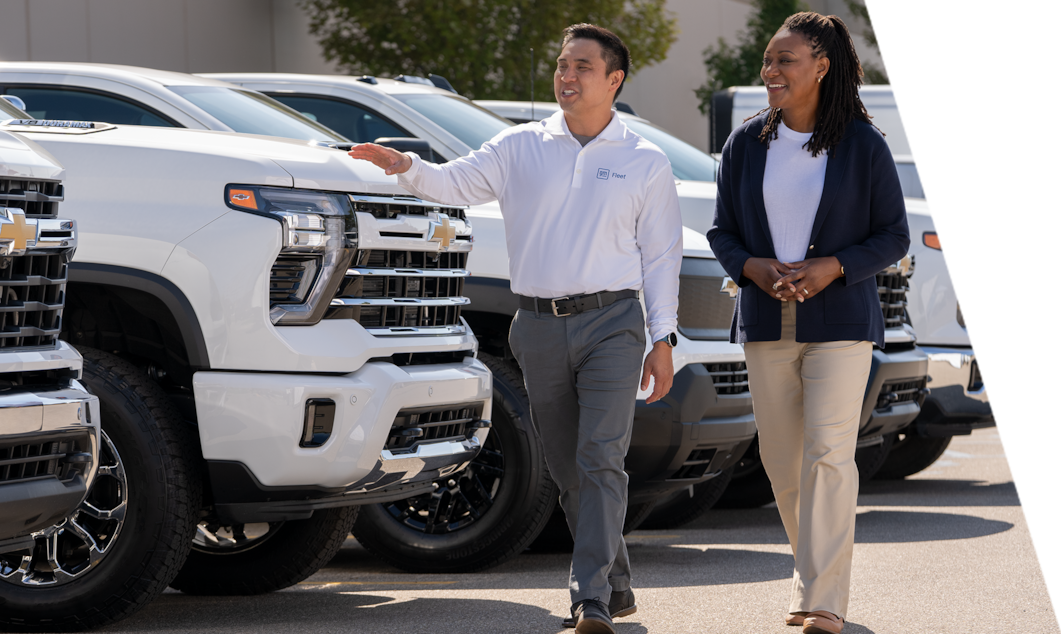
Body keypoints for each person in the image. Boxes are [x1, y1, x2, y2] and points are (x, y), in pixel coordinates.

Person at [348, 23, 681, 634]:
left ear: (614, 80)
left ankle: (590, 600)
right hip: (538, 326)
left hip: (615, 323)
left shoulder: (645, 161)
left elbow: (661, 256)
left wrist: (663, 338)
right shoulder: (520, 146)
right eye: (561, 64)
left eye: (582, 66)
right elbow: (454, 183)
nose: (567, 76)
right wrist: (406, 165)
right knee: (568, 465)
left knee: (600, 456)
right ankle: (618, 584)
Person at [706, 11, 909, 634]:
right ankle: (811, 574)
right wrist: (754, 268)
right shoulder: (745, 143)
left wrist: (835, 267)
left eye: (784, 60)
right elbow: (722, 232)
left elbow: (893, 236)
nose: (770, 71)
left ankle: (825, 600)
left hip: (842, 322)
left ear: (821, 66)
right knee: (782, 459)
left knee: (828, 454)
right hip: (767, 320)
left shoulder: (863, 145)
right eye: (767, 60)